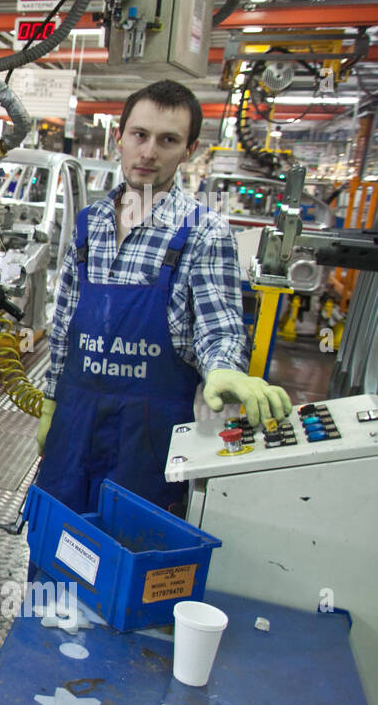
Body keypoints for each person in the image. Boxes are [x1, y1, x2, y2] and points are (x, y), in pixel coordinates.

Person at [34, 80, 291, 516]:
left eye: (168, 140)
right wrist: (51, 399)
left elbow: (219, 325)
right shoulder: (88, 223)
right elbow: (65, 324)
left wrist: (224, 371)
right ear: (120, 137)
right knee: (56, 554)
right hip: (74, 428)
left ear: (188, 149)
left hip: (150, 444)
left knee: (134, 561)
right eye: (140, 135)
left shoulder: (205, 232)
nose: (149, 152)